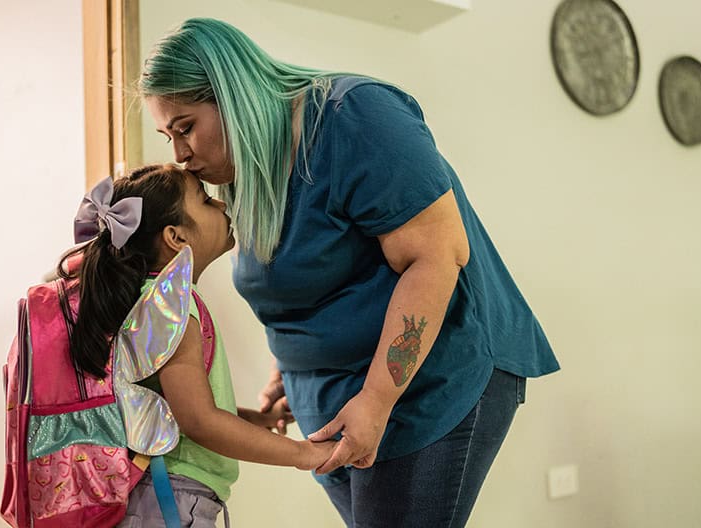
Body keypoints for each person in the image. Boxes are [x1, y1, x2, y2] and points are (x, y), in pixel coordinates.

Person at [139, 18, 560, 527]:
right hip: (330, 397)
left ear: (233, 93)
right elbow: (305, 285)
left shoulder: (354, 116)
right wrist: (292, 370)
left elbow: (436, 256)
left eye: (186, 128)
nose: (180, 156)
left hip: (429, 381)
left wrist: (378, 398)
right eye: (169, 136)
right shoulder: (246, 171)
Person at [60, 164, 335, 527]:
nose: (221, 205)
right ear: (176, 237)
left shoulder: (149, 300)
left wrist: (257, 420)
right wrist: (303, 454)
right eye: (205, 200)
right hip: (169, 497)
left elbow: (178, 407)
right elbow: (199, 421)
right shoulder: (169, 307)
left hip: (163, 497)